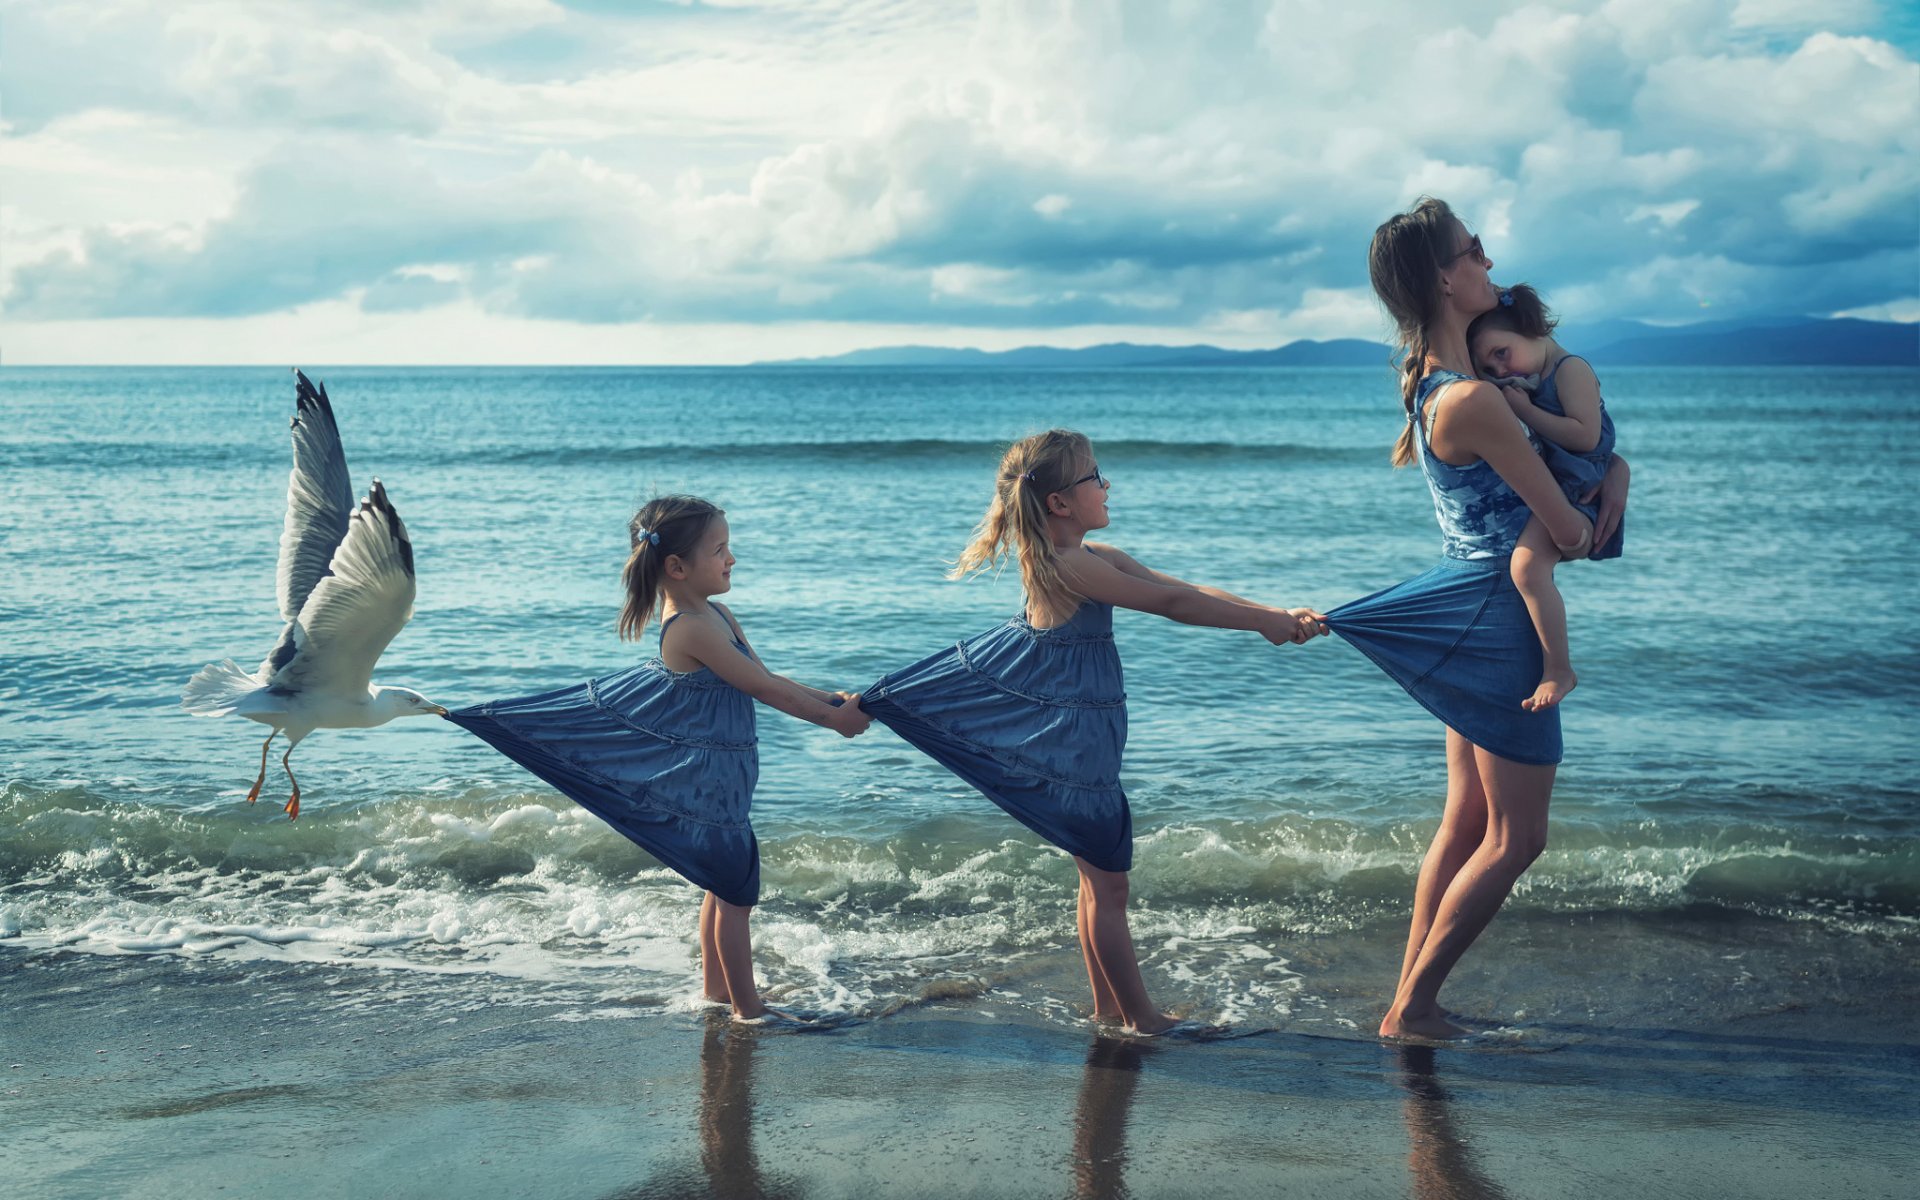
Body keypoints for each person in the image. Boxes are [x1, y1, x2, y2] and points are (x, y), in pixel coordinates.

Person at [857, 430, 1327, 1035]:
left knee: (1097, 881)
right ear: (1059, 502)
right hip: (1074, 743)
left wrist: (1273, 613)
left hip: (1086, 733)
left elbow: (1181, 589)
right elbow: (1171, 608)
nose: (1107, 486)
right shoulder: (1071, 565)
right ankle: (1142, 1019)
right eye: (1094, 478)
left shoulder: (1093, 556)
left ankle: (1111, 1009)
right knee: (1108, 885)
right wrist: (1260, 623)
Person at [1328, 199, 1629, 1041]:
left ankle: (1408, 998)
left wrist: (1601, 479)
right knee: (1518, 836)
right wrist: (1597, 500)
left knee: (1465, 822)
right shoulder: (1479, 401)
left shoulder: (1436, 388)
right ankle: (1413, 1009)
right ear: (1443, 277)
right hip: (1501, 622)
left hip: (1468, 604)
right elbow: (1565, 534)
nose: (1490, 259)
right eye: (1474, 250)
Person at [446, 495, 870, 1021]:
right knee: (737, 893)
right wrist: (833, 721)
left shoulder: (716, 613)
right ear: (676, 567)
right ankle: (749, 1009)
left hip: (730, 772)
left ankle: (717, 993)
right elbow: (764, 691)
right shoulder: (690, 629)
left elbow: (768, 677)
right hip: (708, 781)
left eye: (728, 548)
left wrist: (830, 699)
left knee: (722, 887)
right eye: (720, 550)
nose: (731, 559)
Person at [1466, 282, 1622, 710]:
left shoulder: (1569, 369)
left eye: (1502, 353)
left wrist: (1525, 411)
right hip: (1563, 482)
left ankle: (1559, 669)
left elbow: (1585, 435)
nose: (1501, 372)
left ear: (1531, 328)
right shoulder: (1534, 376)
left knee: (1528, 569)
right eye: (1490, 370)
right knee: (1528, 572)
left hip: (1576, 488)